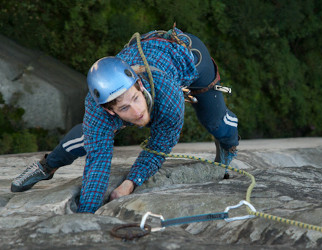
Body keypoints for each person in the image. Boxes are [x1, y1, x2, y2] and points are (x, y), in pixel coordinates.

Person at [10, 26, 240, 213]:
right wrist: (86, 216)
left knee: (216, 123)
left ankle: (230, 145)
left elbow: (158, 148)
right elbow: (97, 164)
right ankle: (47, 166)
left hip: (187, 55)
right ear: (110, 110)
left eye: (135, 99)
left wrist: (130, 183)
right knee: (88, 137)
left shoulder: (168, 94)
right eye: (124, 108)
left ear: (139, 85)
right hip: (140, 73)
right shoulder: (97, 108)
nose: (137, 111)